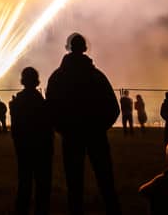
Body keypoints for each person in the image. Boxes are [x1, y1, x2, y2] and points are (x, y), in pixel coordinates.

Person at [47, 33, 123, 215]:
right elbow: (113, 107)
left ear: (68, 48)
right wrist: (99, 127)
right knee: (106, 180)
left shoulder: (58, 77)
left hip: (71, 136)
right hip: (96, 134)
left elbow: (50, 108)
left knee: (74, 183)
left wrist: (62, 128)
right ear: (85, 49)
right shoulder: (97, 76)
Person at [12, 65, 52, 215]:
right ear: (36, 81)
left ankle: (21, 210)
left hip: (24, 148)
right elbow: (47, 126)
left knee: (24, 182)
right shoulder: (40, 101)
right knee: (43, 183)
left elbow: (16, 130)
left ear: (23, 81)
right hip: (42, 149)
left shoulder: (17, 102)